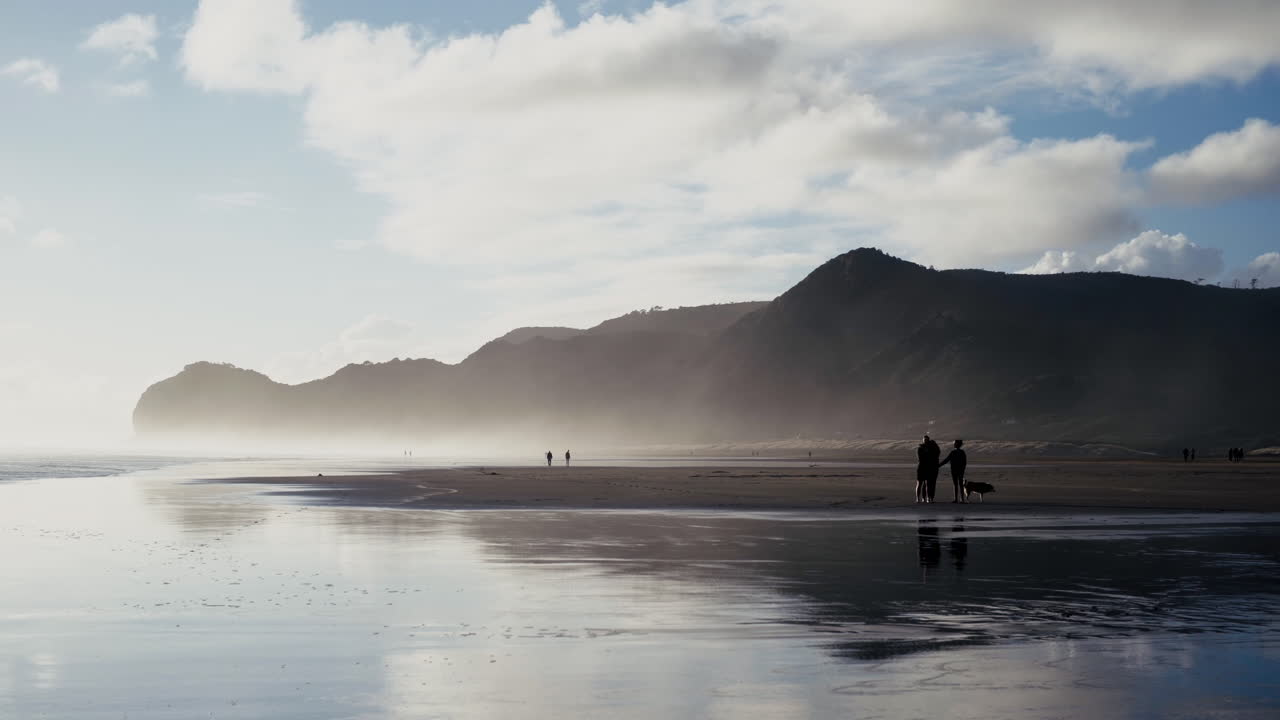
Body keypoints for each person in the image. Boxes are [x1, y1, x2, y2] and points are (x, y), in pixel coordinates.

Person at [939, 439, 968, 503]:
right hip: (959, 470)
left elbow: (946, 460)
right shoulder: (961, 452)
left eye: (955, 443)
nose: (954, 444)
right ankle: (961, 499)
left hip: (955, 470)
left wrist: (939, 465)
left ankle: (957, 499)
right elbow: (964, 462)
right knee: (959, 484)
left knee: (956, 484)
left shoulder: (953, 452)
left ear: (957, 444)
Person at [916, 434, 941, 503]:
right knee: (921, 483)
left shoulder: (931, 448)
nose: (926, 442)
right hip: (923, 467)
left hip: (928, 468)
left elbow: (936, 454)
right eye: (925, 440)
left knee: (926, 484)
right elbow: (920, 458)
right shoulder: (921, 448)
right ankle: (920, 498)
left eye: (927, 440)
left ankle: (927, 498)